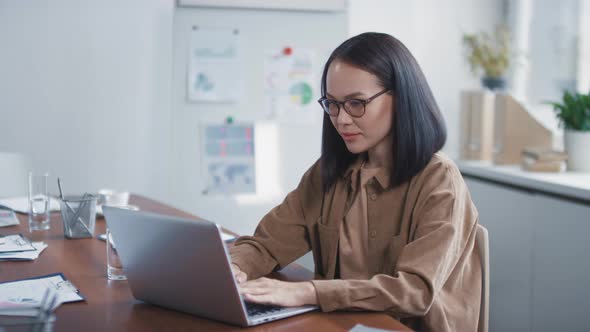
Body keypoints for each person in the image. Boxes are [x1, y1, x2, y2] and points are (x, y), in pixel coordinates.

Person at [229, 32, 481, 332]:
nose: (341, 120)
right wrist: (233, 268)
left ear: (400, 98)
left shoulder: (439, 180)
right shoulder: (329, 172)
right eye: (332, 104)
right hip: (343, 323)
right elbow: (268, 244)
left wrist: (309, 291)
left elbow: (414, 291)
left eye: (356, 103)